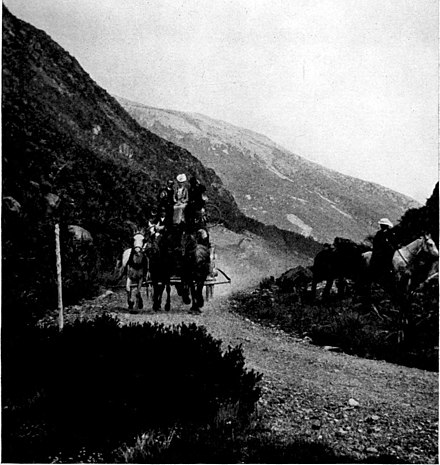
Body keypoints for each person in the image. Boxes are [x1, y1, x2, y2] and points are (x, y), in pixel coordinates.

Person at [370, 218, 397, 286]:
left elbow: (394, 242)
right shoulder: (379, 233)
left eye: (383, 225)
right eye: (382, 225)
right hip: (379, 251)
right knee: (375, 260)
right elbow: (376, 242)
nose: (382, 226)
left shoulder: (390, 234)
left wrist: (392, 246)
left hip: (388, 252)